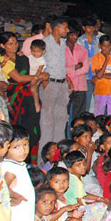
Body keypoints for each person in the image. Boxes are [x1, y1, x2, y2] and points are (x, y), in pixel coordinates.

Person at [0, 32, 44, 162]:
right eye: (10, 43)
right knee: (17, 127)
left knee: (32, 126)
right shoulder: (3, 60)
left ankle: (30, 160)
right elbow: (19, 78)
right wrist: (40, 76)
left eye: (15, 42)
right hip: (14, 98)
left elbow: (28, 77)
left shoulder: (23, 57)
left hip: (28, 94)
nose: (14, 46)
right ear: (2, 45)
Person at [2, 126, 35, 221]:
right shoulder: (11, 168)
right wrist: (16, 197)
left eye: (25, 145)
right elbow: (2, 187)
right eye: (16, 147)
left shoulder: (16, 164)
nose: (23, 150)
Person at [39, 17, 70, 155]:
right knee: (47, 123)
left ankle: (59, 156)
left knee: (61, 121)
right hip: (50, 84)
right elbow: (35, 60)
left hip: (62, 84)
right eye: (65, 28)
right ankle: (44, 158)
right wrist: (43, 80)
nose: (67, 30)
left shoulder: (63, 43)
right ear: (57, 28)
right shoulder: (45, 43)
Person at [91, 35, 111, 116]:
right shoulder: (95, 58)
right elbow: (99, 75)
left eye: (108, 46)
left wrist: (102, 75)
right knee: (99, 113)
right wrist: (106, 60)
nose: (107, 48)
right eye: (104, 46)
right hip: (100, 90)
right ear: (100, 46)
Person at [65, 26, 89, 124]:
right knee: (64, 113)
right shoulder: (61, 49)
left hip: (80, 86)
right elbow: (60, 69)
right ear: (66, 35)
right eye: (72, 35)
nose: (75, 37)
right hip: (66, 85)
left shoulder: (82, 49)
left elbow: (85, 68)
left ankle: (77, 132)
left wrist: (70, 72)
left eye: (76, 35)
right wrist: (75, 67)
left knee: (79, 115)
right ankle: (66, 133)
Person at [77, 18, 100, 113]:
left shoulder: (98, 41)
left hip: (97, 76)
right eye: (89, 27)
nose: (91, 29)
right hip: (84, 77)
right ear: (84, 28)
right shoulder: (79, 41)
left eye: (93, 27)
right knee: (85, 104)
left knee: (99, 104)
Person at [28, 39, 47, 114]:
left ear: (43, 51)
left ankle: (37, 105)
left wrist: (35, 78)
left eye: (38, 52)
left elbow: (39, 71)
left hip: (38, 77)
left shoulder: (42, 61)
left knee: (33, 89)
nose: (35, 53)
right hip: (28, 76)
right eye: (33, 51)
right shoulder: (29, 57)